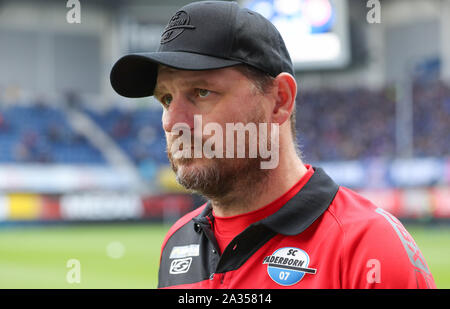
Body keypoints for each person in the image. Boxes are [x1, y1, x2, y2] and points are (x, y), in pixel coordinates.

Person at [110, 1, 436, 289]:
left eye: (201, 92)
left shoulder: (368, 249)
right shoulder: (176, 244)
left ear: (280, 100)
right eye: (166, 99)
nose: (171, 122)